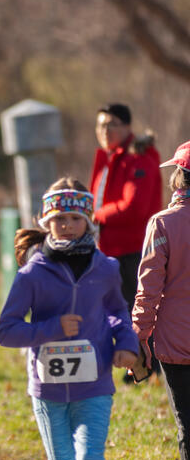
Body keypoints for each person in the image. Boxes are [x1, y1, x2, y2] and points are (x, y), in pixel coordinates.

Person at [0, 178, 138, 460]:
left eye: (74, 218)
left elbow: (117, 313)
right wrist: (52, 328)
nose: (66, 226)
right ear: (46, 221)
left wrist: (126, 345)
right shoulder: (32, 274)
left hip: (95, 383)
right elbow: (7, 331)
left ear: (88, 221)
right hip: (50, 388)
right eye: (58, 219)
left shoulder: (106, 269)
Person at [132, 141, 190, 460]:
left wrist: (139, 337)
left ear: (179, 176)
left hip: (176, 341)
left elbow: (148, 288)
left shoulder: (164, 224)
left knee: (188, 423)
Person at [90, 103, 162, 314]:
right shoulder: (109, 158)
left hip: (133, 254)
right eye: (100, 125)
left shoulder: (138, 158)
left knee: (136, 318)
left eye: (112, 124)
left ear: (128, 127)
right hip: (108, 252)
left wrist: (96, 216)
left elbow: (134, 207)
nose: (105, 131)